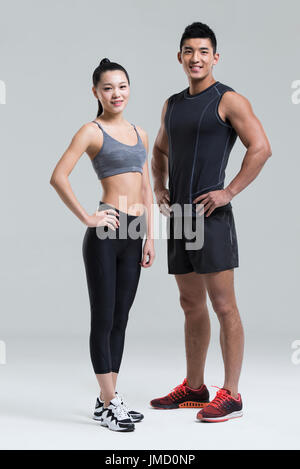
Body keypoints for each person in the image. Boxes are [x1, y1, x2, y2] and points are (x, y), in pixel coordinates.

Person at [150, 22, 272, 422]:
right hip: (181, 218)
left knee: (223, 306)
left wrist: (229, 191)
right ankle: (195, 387)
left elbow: (261, 147)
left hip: (211, 217)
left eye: (203, 51)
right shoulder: (172, 104)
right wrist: (159, 186)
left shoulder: (229, 100)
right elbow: (159, 150)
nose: (195, 58)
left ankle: (232, 395)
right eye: (189, 51)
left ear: (214, 57)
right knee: (189, 304)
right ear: (180, 57)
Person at [50, 58, 155, 432]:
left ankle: (106, 398)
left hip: (135, 232)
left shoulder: (140, 132)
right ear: (96, 92)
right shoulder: (91, 131)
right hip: (106, 234)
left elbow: (146, 187)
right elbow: (58, 176)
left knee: (121, 319)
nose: (117, 93)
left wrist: (150, 237)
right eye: (108, 87)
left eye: (122, 86)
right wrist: (87, 216)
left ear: (130, 88)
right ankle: (111, 402)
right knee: (104, 316)